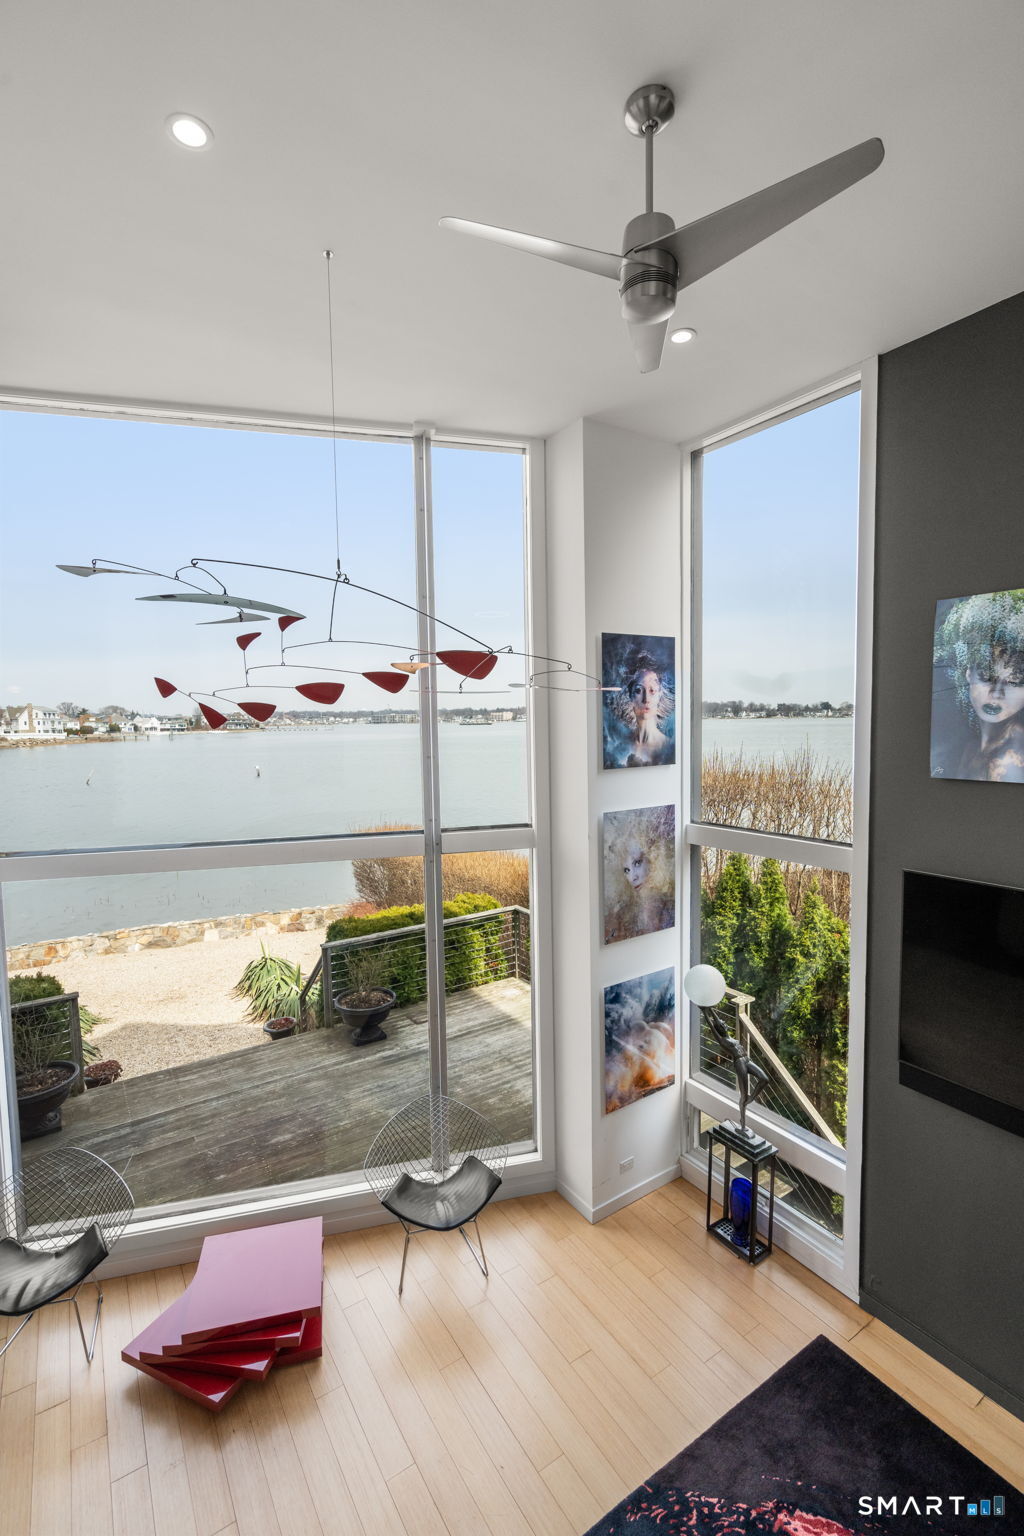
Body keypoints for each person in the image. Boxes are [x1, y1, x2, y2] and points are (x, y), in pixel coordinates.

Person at [933, 589, 1024, 783]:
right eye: (986, 676)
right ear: (968, 673)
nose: (996, 693)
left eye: (1014, 681)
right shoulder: (970, 745)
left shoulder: (1010, 762)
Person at [609, 648, 675, 767]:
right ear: (630, 695)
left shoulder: (667, 747)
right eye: (638, 690)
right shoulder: (619, 747)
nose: (646, 699)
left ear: (660, 695)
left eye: (652, 690)